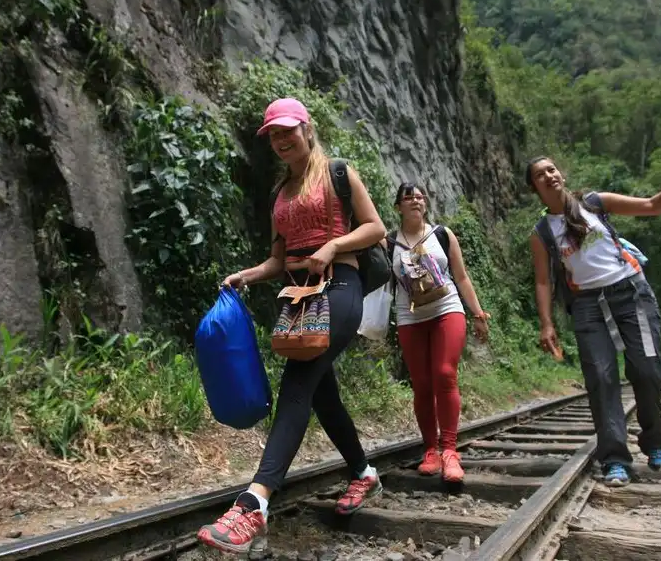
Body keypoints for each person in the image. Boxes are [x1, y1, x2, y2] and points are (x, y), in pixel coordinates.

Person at [196, 98, 388, 554]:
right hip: (298, 296)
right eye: (274, 135)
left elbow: (376, 228)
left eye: (288, 131)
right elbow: (278, 259)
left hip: (341, 285)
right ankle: (364, 474)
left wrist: (333, 245)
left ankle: (255, 502)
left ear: (306, 129)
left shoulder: (338, 172)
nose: (281, 140)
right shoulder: (279, 194)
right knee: (322, 392)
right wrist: (248, 274)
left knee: (299, 379)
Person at [524, 155, 661, 487]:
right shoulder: (542, 233)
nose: (549, 175)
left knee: (647, 370)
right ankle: (615, 459)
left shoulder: (594, 203)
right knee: (602, 379)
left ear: (560, 173)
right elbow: (543, 281)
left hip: (631, 293)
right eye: (540, 174)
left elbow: (653, 205)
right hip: (587, 306)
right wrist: (546, 323)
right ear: (534, 187)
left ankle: (654, 443)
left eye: (551, 169)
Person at [386, 183, 490, 483]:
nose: (416, 201)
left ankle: (449, 451)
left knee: (445, 374)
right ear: (398, 207)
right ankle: (430, 449)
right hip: (410, 315)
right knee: (421, 384)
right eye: (408, 197)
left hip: (447, 309)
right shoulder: (389, 241)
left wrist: (478, 314)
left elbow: (461, 276)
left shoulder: (443, 235)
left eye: (420, 197)